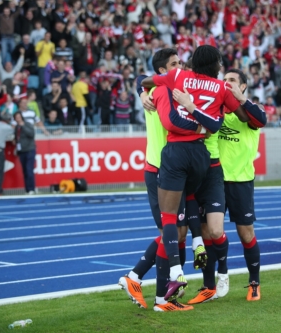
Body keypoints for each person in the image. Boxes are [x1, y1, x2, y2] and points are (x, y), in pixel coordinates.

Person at [139, 45, 249, 309]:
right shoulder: (221, 89)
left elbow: (146, 84)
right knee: (190, 212)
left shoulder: (176, 78)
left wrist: (144, 89)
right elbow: (229, 121)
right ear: (216, 66)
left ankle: (175, 273)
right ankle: (201, 259)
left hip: (175, 153)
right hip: (202, 155)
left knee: (170, 220)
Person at [183, 69, 266, 304]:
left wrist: (240, 100)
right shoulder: (215, 109)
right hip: (211, 179)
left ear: (243, 87)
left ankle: (254, 283)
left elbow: (262, 119)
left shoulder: (248, 113)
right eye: (225, 80)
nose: (227, 83)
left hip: (240, 181)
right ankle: (209, 286)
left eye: (232, 81)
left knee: (245, 233)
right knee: (208, 232)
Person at [119, 48, 192, 312]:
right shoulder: (160, 91)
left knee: (177, 233)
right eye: (174, 63)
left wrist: (141, 89)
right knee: (169, 233)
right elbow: (142, 78)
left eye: (180, 62)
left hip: (172, 170)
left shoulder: (164, 89)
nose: (180, 66)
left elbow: (141, 79)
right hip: (160, 170)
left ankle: (139, 280)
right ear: (161, 71)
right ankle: (154, 293)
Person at [14, 111, 36, 195]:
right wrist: (16, 147)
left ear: (21, 117)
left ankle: (31, 189)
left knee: (29, 169)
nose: (18, 119)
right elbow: (17, 138)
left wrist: (23, 126)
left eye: (19, 117)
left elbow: (31, 134)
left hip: (30, 149)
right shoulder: (17, 127)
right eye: (16, 118)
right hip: (21, 151)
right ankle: (27, 189)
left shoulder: (27, 124)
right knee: (24, 171)